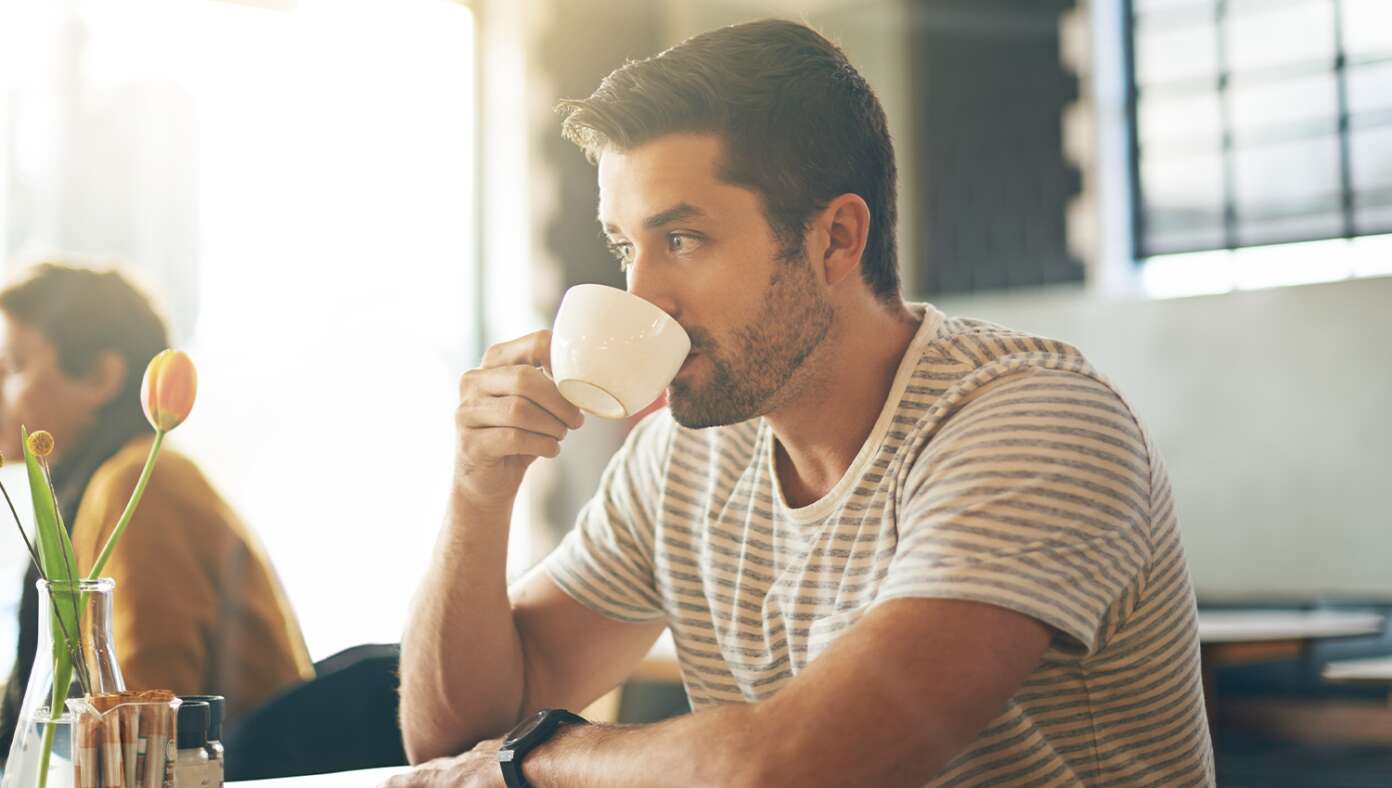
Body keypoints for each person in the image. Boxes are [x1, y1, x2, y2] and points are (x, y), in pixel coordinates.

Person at [395, 19, 1214, 787]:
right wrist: (479, 487)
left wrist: (543, 758)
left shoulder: (1031, 421)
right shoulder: (680, 458)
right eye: (625, 248)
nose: (643, 295)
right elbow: (456, 739)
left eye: (682, 240)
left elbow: (804, 767)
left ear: (835, 240)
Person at [0, 263, 313, 761]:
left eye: (13, 366)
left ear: (102, 377)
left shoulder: (138, 484)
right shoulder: (109, 480)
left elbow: (145, 714)